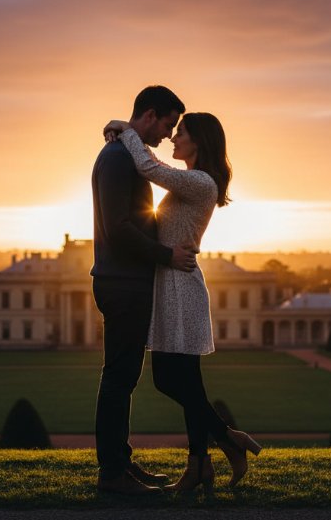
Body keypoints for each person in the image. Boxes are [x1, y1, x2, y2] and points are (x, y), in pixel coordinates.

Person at [103, 111, 262, 495]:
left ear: (198, 142)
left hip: (181, 286)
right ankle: (200, 463)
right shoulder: (192, 181)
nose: (173, 138)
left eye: (181, 132)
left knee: (169, 379)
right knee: (185, 381)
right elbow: (154, 165)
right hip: (170, 282)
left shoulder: (201, 182)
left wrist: (126, 130)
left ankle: (225, 439)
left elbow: (147, 166)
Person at [91, 85, 198, 495]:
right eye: (168, 124)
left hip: (123, 281)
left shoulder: (122, 153)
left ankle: (121, 465)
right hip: (123, 284)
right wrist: (165, 255)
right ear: (151, 114)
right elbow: (119, 229)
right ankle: (113, 475)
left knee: (123, 377)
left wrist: (122, 127)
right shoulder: (118, 158)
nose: (168, 134)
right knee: (119, 379)